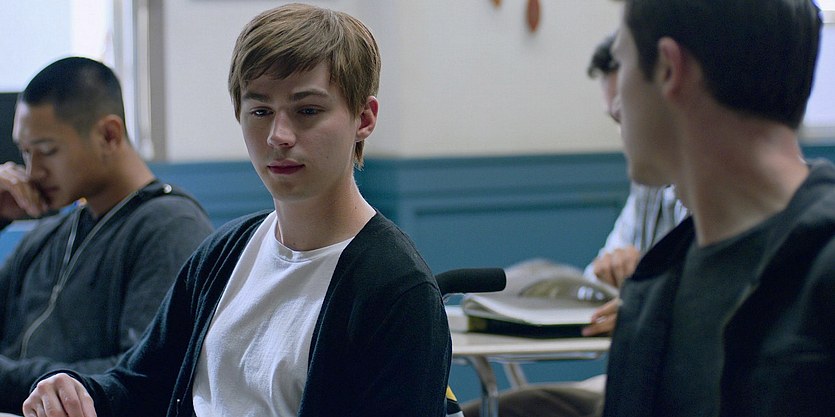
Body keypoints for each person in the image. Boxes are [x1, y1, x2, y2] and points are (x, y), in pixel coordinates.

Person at [22, 4, 451, 417]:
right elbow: (141, 385)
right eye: (260, 111)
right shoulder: (223, 254)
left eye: (307, 111)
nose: (279, 135)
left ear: (364, 118)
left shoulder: (396, 288)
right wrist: (77, 392)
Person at [602, 1, 832, 416]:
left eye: (623, 63)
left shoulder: (823, 269)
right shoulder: (653, 292)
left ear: (669, 69)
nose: (616, 108)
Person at [461, 32, 687, 417]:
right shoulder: (650, 181)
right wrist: (620, 277)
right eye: (614, 119)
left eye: (625, 113)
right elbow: (597, 279)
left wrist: (649, 298)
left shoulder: (716, 195)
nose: (623, 134)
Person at [0, 57, 214, 413]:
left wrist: (7, 379)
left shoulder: (170, 228)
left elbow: (138, 376)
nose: (33, 171)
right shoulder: (54, 232)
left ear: (108, 135)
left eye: (48, 151)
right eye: (25, 152)